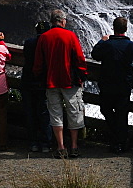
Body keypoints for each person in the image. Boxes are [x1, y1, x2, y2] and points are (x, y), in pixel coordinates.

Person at [33, 8, 88, 159]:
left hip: (50, 81)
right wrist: (82, 76)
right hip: (69, 81)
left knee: (55, 113)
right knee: (73, 112)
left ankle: (61, 146)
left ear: (51, 22)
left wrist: (40, 77)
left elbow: (38, 63)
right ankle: (74, 146)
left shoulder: (44, 37)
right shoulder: (70, 35)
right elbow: (79, 58)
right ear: (63, 21)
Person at [91, 16, 133, 153]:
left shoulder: (107, 44)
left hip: (107, 84)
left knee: (105, 109)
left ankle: (117, 140)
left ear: (113, 28)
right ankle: (122, 142)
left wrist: (102, 40)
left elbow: (95, 55)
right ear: (126, 29)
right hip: (123, 85)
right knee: (122, 114)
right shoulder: (130, 45)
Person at [21, 19, 53, 153]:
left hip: (28, 82)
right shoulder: (49, 44)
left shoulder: (28, 43)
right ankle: (46, 143)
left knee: (31, 113)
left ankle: (33, 143)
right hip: (44, 83)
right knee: (44, 113)